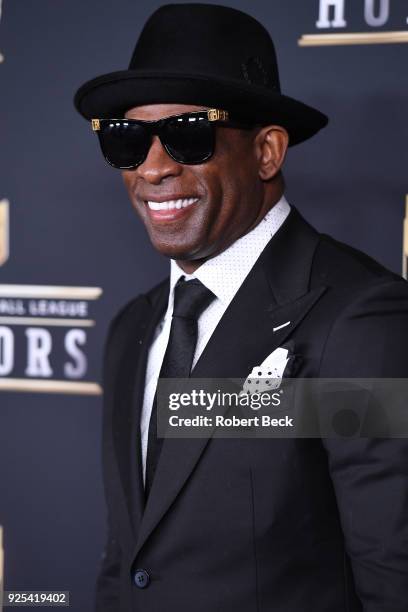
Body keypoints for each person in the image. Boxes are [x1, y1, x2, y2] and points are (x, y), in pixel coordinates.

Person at [74, 4, 408, 611]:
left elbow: (395, 576)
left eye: (187, 133)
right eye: (126, 139)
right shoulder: (131, 331)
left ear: (267, 152)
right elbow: (129, 564)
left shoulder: (359, 322)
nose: (153, 167)